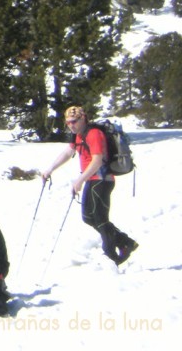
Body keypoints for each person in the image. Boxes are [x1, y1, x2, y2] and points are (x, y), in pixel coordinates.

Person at [41, 105, 138, 265]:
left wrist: (79, 181)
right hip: (91, 179)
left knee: (100, 218)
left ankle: (112, 256)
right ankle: (125, 242)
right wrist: (50, 169)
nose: (71, 125)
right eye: (68, 122)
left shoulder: (94, 134)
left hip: (102, 180)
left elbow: (97, 161)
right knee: (88, 217)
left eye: (74, 121)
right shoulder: (78, 135)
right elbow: (68, 153)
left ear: (83, 119)